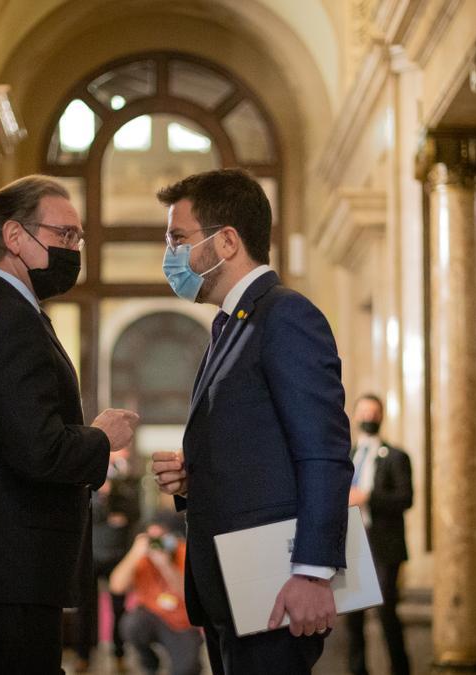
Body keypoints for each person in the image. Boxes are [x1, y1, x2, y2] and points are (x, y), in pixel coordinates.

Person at [0, 175, 140, 673]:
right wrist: (101, 438)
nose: (74, 248)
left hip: (0, 569)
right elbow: (36, 450)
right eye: (63, 235)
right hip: (9, 571)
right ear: (14, 236)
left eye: (78, 238)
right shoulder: (5, 319)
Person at [150, 168, 354, 674]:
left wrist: (312, 573)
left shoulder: (284, 316)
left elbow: (323, 451)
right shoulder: (230, 325)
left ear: (226, 242)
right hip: (233, 589)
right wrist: (191, 477)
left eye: (178, 238)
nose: (170, 253)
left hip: (274, 586)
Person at [345, 394, 413, 675]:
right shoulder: (346, 456)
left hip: (384, 543)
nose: (368, 418)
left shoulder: (396, 456)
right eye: (364, 412)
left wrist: (367, 498)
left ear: (381, 416)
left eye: (374, 413)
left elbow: (405, 498)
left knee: (386, 611)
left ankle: (400, 668)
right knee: (353, 616)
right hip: (351, 542)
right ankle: (357, 670)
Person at [109, 520, 203, 675]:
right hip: (151, 617)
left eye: (161, 538)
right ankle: (149, 662)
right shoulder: (141, 557)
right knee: (131, 624)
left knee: (186, 670)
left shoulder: (182, 551)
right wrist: (135, 552)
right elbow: (116, 586)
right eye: (152, 539)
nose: (156, 544)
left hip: (181, 624)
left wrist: (165, 565)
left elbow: (189, 594)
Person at [74, 463, 142, 673]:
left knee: (119, 608)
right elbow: (88, 516)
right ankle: (83, 655)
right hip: (91, 556)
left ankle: (119, 653)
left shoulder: (125, 489)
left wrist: (113, 496)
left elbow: (133, 513)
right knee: (84, 609)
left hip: (117, 558)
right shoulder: (87, 490)